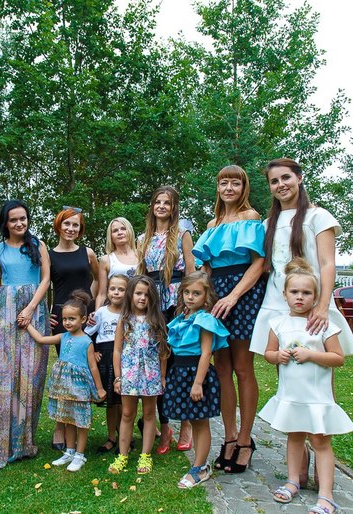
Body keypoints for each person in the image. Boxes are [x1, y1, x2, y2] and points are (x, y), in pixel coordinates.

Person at [250, 158, 353, 488]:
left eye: (286, 177)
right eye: (274, 181)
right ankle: (298, 462)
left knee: (320, 378)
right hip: (278, 304)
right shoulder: (269, 222)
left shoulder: (317, 216)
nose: (280, 185)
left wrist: (323, 306)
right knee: (289, 377)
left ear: (299, 178)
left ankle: (320, 444)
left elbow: (326, 263)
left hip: (313, 304)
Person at [259, 258, 353, 514]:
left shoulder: (323, 325)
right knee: (294, 438)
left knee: (321, 442)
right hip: (291, 396)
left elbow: (338, 358)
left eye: (306, 293)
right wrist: (276, 356)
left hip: (317, 397)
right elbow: (268, 352)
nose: (299, 297)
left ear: (315, 297)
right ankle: (292, 480)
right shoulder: (278, 324)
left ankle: (326, 495)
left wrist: (312, 355)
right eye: (294, 292)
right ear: (285, 295)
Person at [192, 165, 266, 473]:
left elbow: (259, 263)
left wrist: (233, 296)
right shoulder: (213, 224)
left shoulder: (251, 217)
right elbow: (206, 267)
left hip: (243, 293)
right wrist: (202, 299)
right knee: (221, 368)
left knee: (242, 367)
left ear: (243, 187)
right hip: (215, 295)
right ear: (218, 188)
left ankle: (246, 440)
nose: (229, 188)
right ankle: (230, 438)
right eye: (224, 183)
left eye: (235, 183)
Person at [0, 200, 51, 469]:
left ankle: (24, 442)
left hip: (34, 311)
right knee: (3, 375)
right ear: (5, 223)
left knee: (30, 375)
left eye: (23, 218)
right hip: (4, 314)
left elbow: (45, 279)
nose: (20, 223)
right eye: (13, 220)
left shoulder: (38, 245)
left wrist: (29, 308)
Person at [138, 185, 196, 453]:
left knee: (178, 363)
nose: (162, 206)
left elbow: (191, 271)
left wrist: (189, 305)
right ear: (152, 206)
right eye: (158, 202)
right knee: (156, 363)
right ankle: (164, 427)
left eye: (167, 203)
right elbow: (141, 274)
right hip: (153, 303)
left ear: (174, 208)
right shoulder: (143, 238)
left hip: (176, 301)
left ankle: (186, 424)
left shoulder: (182, 234)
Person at [25, 290, 107, 472]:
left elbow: (93, 367)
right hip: (63, 387)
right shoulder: (63, 337)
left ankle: (80, 455)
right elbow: (41, 339)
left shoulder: (86, 342)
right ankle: (69, 452)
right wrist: (27, 324)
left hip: (79, 388)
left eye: (72, 319)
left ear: (83, 319)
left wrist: (100, 389)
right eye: (65, 319)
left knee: (81, 421)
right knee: (68, 419)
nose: (68, 322)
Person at [164, 272, 229, 489]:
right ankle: (199, 463)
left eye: (196, 293)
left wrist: (198, 383)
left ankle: (200, 467)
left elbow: (206, 353)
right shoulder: (182, 318)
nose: (190, 297)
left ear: (206, 296)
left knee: (201, 422)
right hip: (180, 372)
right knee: (193, 420)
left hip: (196, 375)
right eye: (187, 292)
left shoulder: (205, 320)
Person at [48, 206, 98, 450]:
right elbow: (43, 284)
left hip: (87, 317)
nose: (71, 228)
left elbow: (99, 279)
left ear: (80, 229)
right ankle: (60, 427)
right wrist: (46, 313)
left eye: (75, 225)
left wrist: (93, 304)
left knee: (86, 368)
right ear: (59, 226)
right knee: (65, 373)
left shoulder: (88, 253)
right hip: (61, 317)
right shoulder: (49, 255)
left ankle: (82, 422)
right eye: (66, 224)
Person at [108, 276, 168, 475]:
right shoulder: (124, 320)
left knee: (149, 413)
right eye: (138, 293)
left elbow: (163, 352)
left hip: (151, 373)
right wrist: (118, 377)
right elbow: (117, 350)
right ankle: (123, 455)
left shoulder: (157, 321)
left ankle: (145, 455)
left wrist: (162, 377)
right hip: (129, 373)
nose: (142, 298)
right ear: (130, 295)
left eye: (147, 294)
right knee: (127, 413)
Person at [85, 274, 129, 454]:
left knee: (124, 401)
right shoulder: (101, 312)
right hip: (105, 356)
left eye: (121, 289)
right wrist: (94, 351)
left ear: (128, 292)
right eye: (112, 289)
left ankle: (125, 437)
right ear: (108, 290)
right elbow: (87, 333)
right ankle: (111, 437)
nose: (116, 292)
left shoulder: (129, 313)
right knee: (111, 402)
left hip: (124, 357)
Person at [95, 218, 138, 309]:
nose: (120, 232)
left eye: (123, 228)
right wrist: (97, 314)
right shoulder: (106, 259)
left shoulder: (142, 256)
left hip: (138, 309)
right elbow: (102, 294)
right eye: (115, 231)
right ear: (111, 236)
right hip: (116, 309)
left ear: (130, 231)